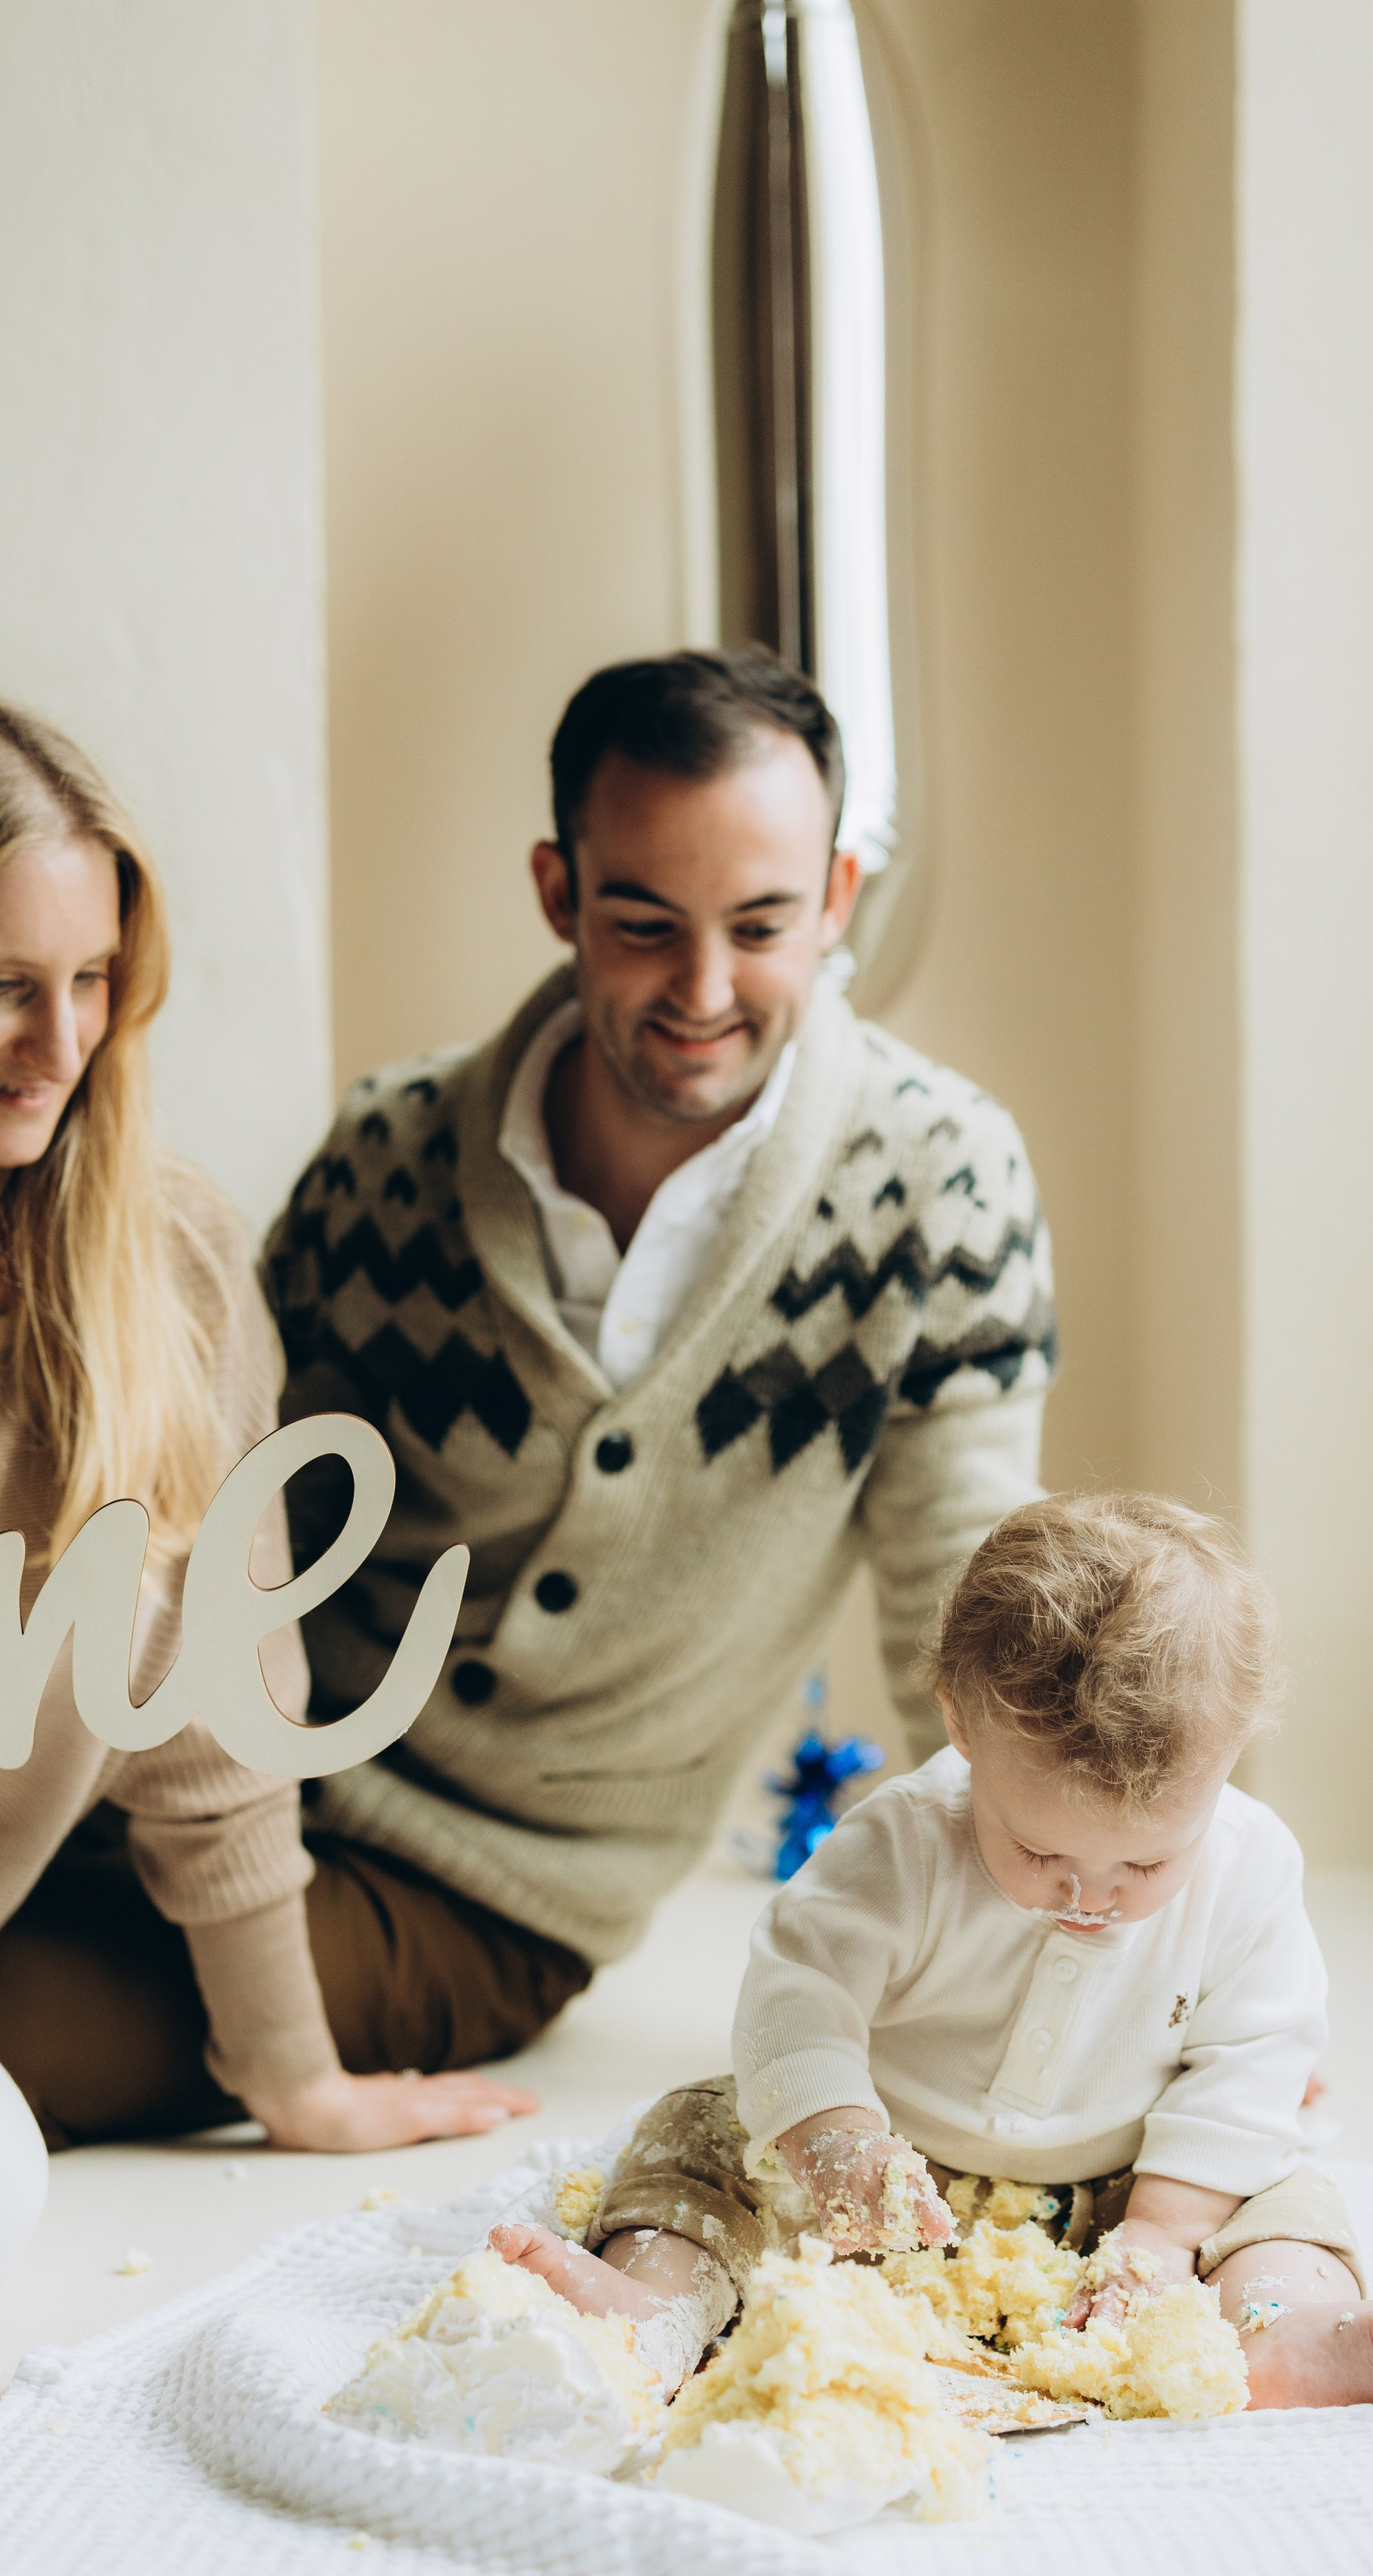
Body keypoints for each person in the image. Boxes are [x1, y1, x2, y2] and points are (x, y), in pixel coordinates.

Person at [0, 681, 531, 2325]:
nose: (63, 1044)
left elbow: (216, 1733)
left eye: (95, 983)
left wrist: (295, 2080)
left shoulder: (167, 1269)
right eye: (1, 988)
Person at [260, 648, 1058, 2077]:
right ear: (557, 892)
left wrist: (1105, 1976)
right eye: (641, 924)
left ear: (834, 900)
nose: (701, 990)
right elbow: (233, 1527)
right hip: (222, 1786)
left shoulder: (939, 1178)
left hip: (489, 1903)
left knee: (25, 2023)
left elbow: (969, 1620)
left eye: (759, 926)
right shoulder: (385, 1155)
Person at [493, 1493, 1373, 2411]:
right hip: (891, 2181)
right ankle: (656, 2310)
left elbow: (1255, 2060)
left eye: (1148, 1861)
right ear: (960, 1727)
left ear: (1232, 1756)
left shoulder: (1251, 1870)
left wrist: (1165, 2235)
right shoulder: (901, 1842)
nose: (1090, 1896)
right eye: (1039, 1851)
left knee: (1286, 2190)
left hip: (1137, 2188)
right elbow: (801, 1992)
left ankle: (1278, 2328)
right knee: (699, 2133)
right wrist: (838, 2140)